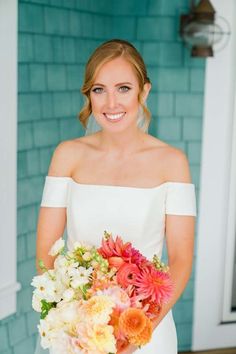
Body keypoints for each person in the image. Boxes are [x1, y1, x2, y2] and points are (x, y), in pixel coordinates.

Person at [35, 39, 197, 354]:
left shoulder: (172, 162)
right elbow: (46, 252)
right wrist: (80, 321)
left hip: (148, 327)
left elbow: (180, 258)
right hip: (79, 331)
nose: (111, 103)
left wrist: (138, 331)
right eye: (99, 90)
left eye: (123, 88)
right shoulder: (67, 156)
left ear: (144, 91)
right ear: (88, 96)